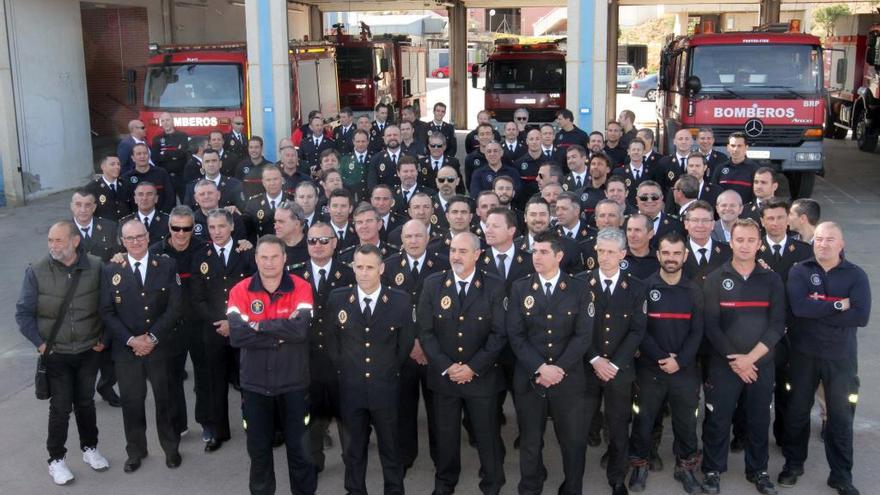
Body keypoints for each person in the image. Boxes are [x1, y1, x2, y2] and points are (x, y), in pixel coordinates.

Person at [779, 222, 871, 495]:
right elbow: (800, 307)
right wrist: (838, 304)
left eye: (830, 239)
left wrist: (818, 304)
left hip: (840, 359)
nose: (823, 244)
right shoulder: (799, 271)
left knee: (841, 418)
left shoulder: (856, 275)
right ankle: (794, 465)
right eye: (818, 239)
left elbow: (860, 315)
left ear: (841, 244)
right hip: (803, 356)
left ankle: (841, 475)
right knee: (796, 413)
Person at [15, 221, 110, 485]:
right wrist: (41, 344)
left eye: (58, 240)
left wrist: (103, 338)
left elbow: (109, 306)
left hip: (89, 350)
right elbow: (23, 313)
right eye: (50, 240)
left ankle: (90, 449)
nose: (53, 246)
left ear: (75, 241)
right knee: (60, 407)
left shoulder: (96, 266)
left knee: (85, 402)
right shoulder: (36, 271)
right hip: (56, 353)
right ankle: (56, 460)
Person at [418, 232, 508, 495]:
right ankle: (445, 482)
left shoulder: (494, 285)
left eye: (463, 251)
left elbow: (499, 333)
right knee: (446, 437)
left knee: (487, 435)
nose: (456, 256)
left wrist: (472, 367)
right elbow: (425, 332)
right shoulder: (433, 284)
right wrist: (448, 367)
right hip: (445, 378)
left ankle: (492, 483)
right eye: (453, 250)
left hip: (482, 377)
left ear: (477, 255)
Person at [701, 218, 785, 495]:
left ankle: (758, 471)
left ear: (759, 244)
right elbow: (711, 326)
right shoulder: (715, 279)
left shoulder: (771, 279)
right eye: (740, 240)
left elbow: (777, 325)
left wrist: (750, 359)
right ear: (731, 242)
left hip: (761, 364)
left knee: (759, 419)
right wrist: (736, 361)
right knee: (718, 419)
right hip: (725, 365)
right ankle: (713, 470)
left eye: (751, 240)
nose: (745, 245)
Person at [227, 235, 317, 494]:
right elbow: (237, 335)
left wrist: (258, 326)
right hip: (255, 387)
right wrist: (280, 332)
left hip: (294, 386)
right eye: (263, 257)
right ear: (255, 259)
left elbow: (300, 331)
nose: (269, 263)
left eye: (274, 256)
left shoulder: (301, 287)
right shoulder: (239, 291)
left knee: (300, 453)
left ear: (284, 258)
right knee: (259, 453)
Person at [326, 244, 415, 495]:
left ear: (381, 268)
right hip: (352, 388)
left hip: (385, 387)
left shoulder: (399, 300)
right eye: (359, 267)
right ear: (353, 267)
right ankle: (355, 490)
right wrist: (346, 368)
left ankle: (394, 490)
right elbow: (333, 342)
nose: (364, 273)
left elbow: (405, 342)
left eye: (370, 267)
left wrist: (386, 369)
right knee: (354, 450)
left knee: (390, 447)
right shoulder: (339, 298)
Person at [508, 230, 592, 495]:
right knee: (531, 441)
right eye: (535, 251)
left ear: (559, 256)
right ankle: (530, 487)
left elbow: (583, 335)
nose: (537, 257)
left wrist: (557, 369)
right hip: (531, 378)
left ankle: (573, 487)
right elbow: (516, 334)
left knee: (573, 441)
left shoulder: (579, 288)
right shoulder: (521, 287)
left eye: (544, 252)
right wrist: (540, 368)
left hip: (567, 378)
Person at [100, 219, 182, 472]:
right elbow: (106, 311)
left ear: (148, 236)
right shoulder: (110, 270)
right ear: (122, 242)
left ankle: (171, 448)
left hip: (159, 346)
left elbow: (175, 307)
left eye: (140, 236)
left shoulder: (167, 265)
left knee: (165, 400)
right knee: (132, 402)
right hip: (127, 350)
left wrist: (152, 338)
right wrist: (131, 340)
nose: (136, 242)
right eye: (130, 238)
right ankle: (135, 451)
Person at [628, 232, 704, 493]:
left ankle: (687, 468)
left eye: (676, 253)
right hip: (651, 368)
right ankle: (640, 465)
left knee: (686, 422)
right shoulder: (644, 288)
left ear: (685, 255)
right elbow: (640, 330)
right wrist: (662, 357)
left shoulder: (694, 290)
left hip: (684, 370)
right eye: (666, 253)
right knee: (644, 420)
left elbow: (697, 332)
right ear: (658, 255)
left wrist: (680, 361)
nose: (671, 259)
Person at [579, 227, 647, 495]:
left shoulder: (636, 286)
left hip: (620, 370)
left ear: (622, 254)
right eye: (600, 250)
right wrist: (595, 359)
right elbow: (578, 328)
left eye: (610, 252)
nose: (604, 256)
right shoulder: (581, 282)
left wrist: (614, 364)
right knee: (580, 426)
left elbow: (637, 330)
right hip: (587, 366)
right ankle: (575, 478)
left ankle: (617, 478)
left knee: (619, 426)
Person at [383, 220, 450, 470]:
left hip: (435, 350)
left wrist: (424, 343)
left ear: (428, 237)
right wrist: (410, 343)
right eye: (408, 236)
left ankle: (441, 458)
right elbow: (387, 311)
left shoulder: (443, 264)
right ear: (401, 239)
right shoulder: (389, 266)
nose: (412, 241)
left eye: (418, 236)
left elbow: (446, 309)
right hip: (402, 351)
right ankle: (404, 456)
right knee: (403, 409)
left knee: (438, 411)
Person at [289, 222, 356, 472]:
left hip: (342, 358)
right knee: (312, 417)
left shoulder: (349, 274)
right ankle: (314, 462)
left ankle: (353, 462)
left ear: (335, 243)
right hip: (307, 358)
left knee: (346, 416)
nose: (317, 246)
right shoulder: (293, 276)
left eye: (323, 240)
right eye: (312, 241)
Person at [190, 209, 256, 452]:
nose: (216, 232)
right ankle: (219, 432)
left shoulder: (247, 253)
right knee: (214, 384)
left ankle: (254, 426)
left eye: (221, 226)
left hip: (243, 328)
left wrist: (234, 322)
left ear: (231, 228)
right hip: (214, 330)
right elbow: (197, 298)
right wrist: (220, 322)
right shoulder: (201, 256)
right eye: (212, 227)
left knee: (247, 383)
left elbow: (255, 292)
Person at [756, 198, 812, 446]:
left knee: (788, 388)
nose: (775, 223)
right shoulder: (752, 250)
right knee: (756, 387)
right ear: (762, 221)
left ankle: (784, 435)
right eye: (770, 218)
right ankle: (746, 434)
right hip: (760, 331)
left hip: (793, 331)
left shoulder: (803, 252)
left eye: (780, 217)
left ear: (788, 220)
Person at [149, 205, 205, 437]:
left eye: (186, 228)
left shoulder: (204, 250)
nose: (181, 233)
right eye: (176, 228)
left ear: (194, 228)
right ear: (168, 227)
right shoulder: (155, 252)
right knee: (172, 379)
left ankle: (207, 423)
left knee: (204, 377)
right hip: (170, 327)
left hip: (199, 323)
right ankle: (177, 424)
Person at [121, 143, 176, 213]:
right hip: (135, 220)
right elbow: (124, 202)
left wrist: (162, 215)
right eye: (139, 154)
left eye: (145, 153)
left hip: (160, 217)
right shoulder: (126, 178)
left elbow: (170, 197)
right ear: (133, 158)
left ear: (149, 155)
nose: (142, 156)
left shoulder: (161, 173)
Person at [71, 188, 120, 264]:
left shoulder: (110, 227)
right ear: (72, 206)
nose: (83, 210)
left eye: (88, 205)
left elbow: (118, 256)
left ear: (94, 208)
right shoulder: (63, 231)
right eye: (78, 205)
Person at [243, 165, 291, 242]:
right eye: (268, 180)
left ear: (282, 180)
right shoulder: (253, 203)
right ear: (263, 182)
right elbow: (247, 231)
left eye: (275, 179)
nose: (272, 183)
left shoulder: (292, 201)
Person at [711, 132, 761, 205]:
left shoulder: (755, 169)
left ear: (746, 148)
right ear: (728, 148)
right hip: (724, 212)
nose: (735, 149)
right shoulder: (720, 169)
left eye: (739, 146)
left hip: (746, 214)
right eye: (733, 146)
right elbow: (713, 193)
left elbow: (757, 195)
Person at [152, 112, 190, 201]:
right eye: (163, 121)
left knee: (186, 203)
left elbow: (183, 153)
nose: (165, 122)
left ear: (172, 121)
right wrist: (175, 151)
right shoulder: (157, 139)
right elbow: (155, 158)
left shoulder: (182, 136)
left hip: (182, 177)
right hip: (166, 178)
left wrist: (164, 152)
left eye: (168, 120)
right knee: (168, 204)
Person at [85, 154, 133, 221]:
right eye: (112, 164)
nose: (117, 167)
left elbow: (133, 207)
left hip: (126, 227)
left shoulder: (126, 185)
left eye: (118, 164)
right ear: (103, 167)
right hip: (104, 228)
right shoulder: (92, 188)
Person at [368, 125, 404, 190]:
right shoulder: (376, 159)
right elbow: (372, 184)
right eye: (389, 135)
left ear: (401, 137)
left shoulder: (410, 157)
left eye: (395, 135)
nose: (392, 137)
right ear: (384, 139)